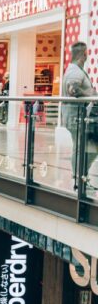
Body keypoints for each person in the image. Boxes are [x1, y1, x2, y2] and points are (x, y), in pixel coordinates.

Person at [63, 41, 98, 191]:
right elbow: (73, 89)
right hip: (76, 118)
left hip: (76, 117)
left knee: (83, 147)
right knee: (85, 148)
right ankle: (79, 179)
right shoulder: (75, 72)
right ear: (83, 54)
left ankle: (80, 179)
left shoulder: (73, 69)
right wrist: (90, 95)